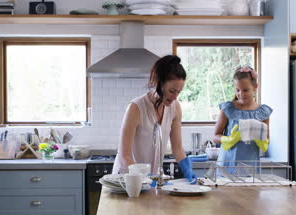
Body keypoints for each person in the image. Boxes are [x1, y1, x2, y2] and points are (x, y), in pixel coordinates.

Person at [112, 55, 198, 184]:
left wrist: (188, 169)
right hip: (128, 179)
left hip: (152, 178)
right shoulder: (136, 108)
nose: (175, 97)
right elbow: (125, 156)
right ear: (158, 83)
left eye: (179, 92)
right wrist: (145, 178)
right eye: (172, 91)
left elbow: (177, 148)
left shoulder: (175, 108)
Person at [213, 66, 273, 169]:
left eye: (245, 90)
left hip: (250, 167)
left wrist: (261, 140)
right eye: (238, 90)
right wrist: (229, 139)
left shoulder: (263, 112)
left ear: (255, 87)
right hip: (227, 164)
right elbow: (215, 137)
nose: (241, 94)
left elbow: (267, 140)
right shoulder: (228, 108)